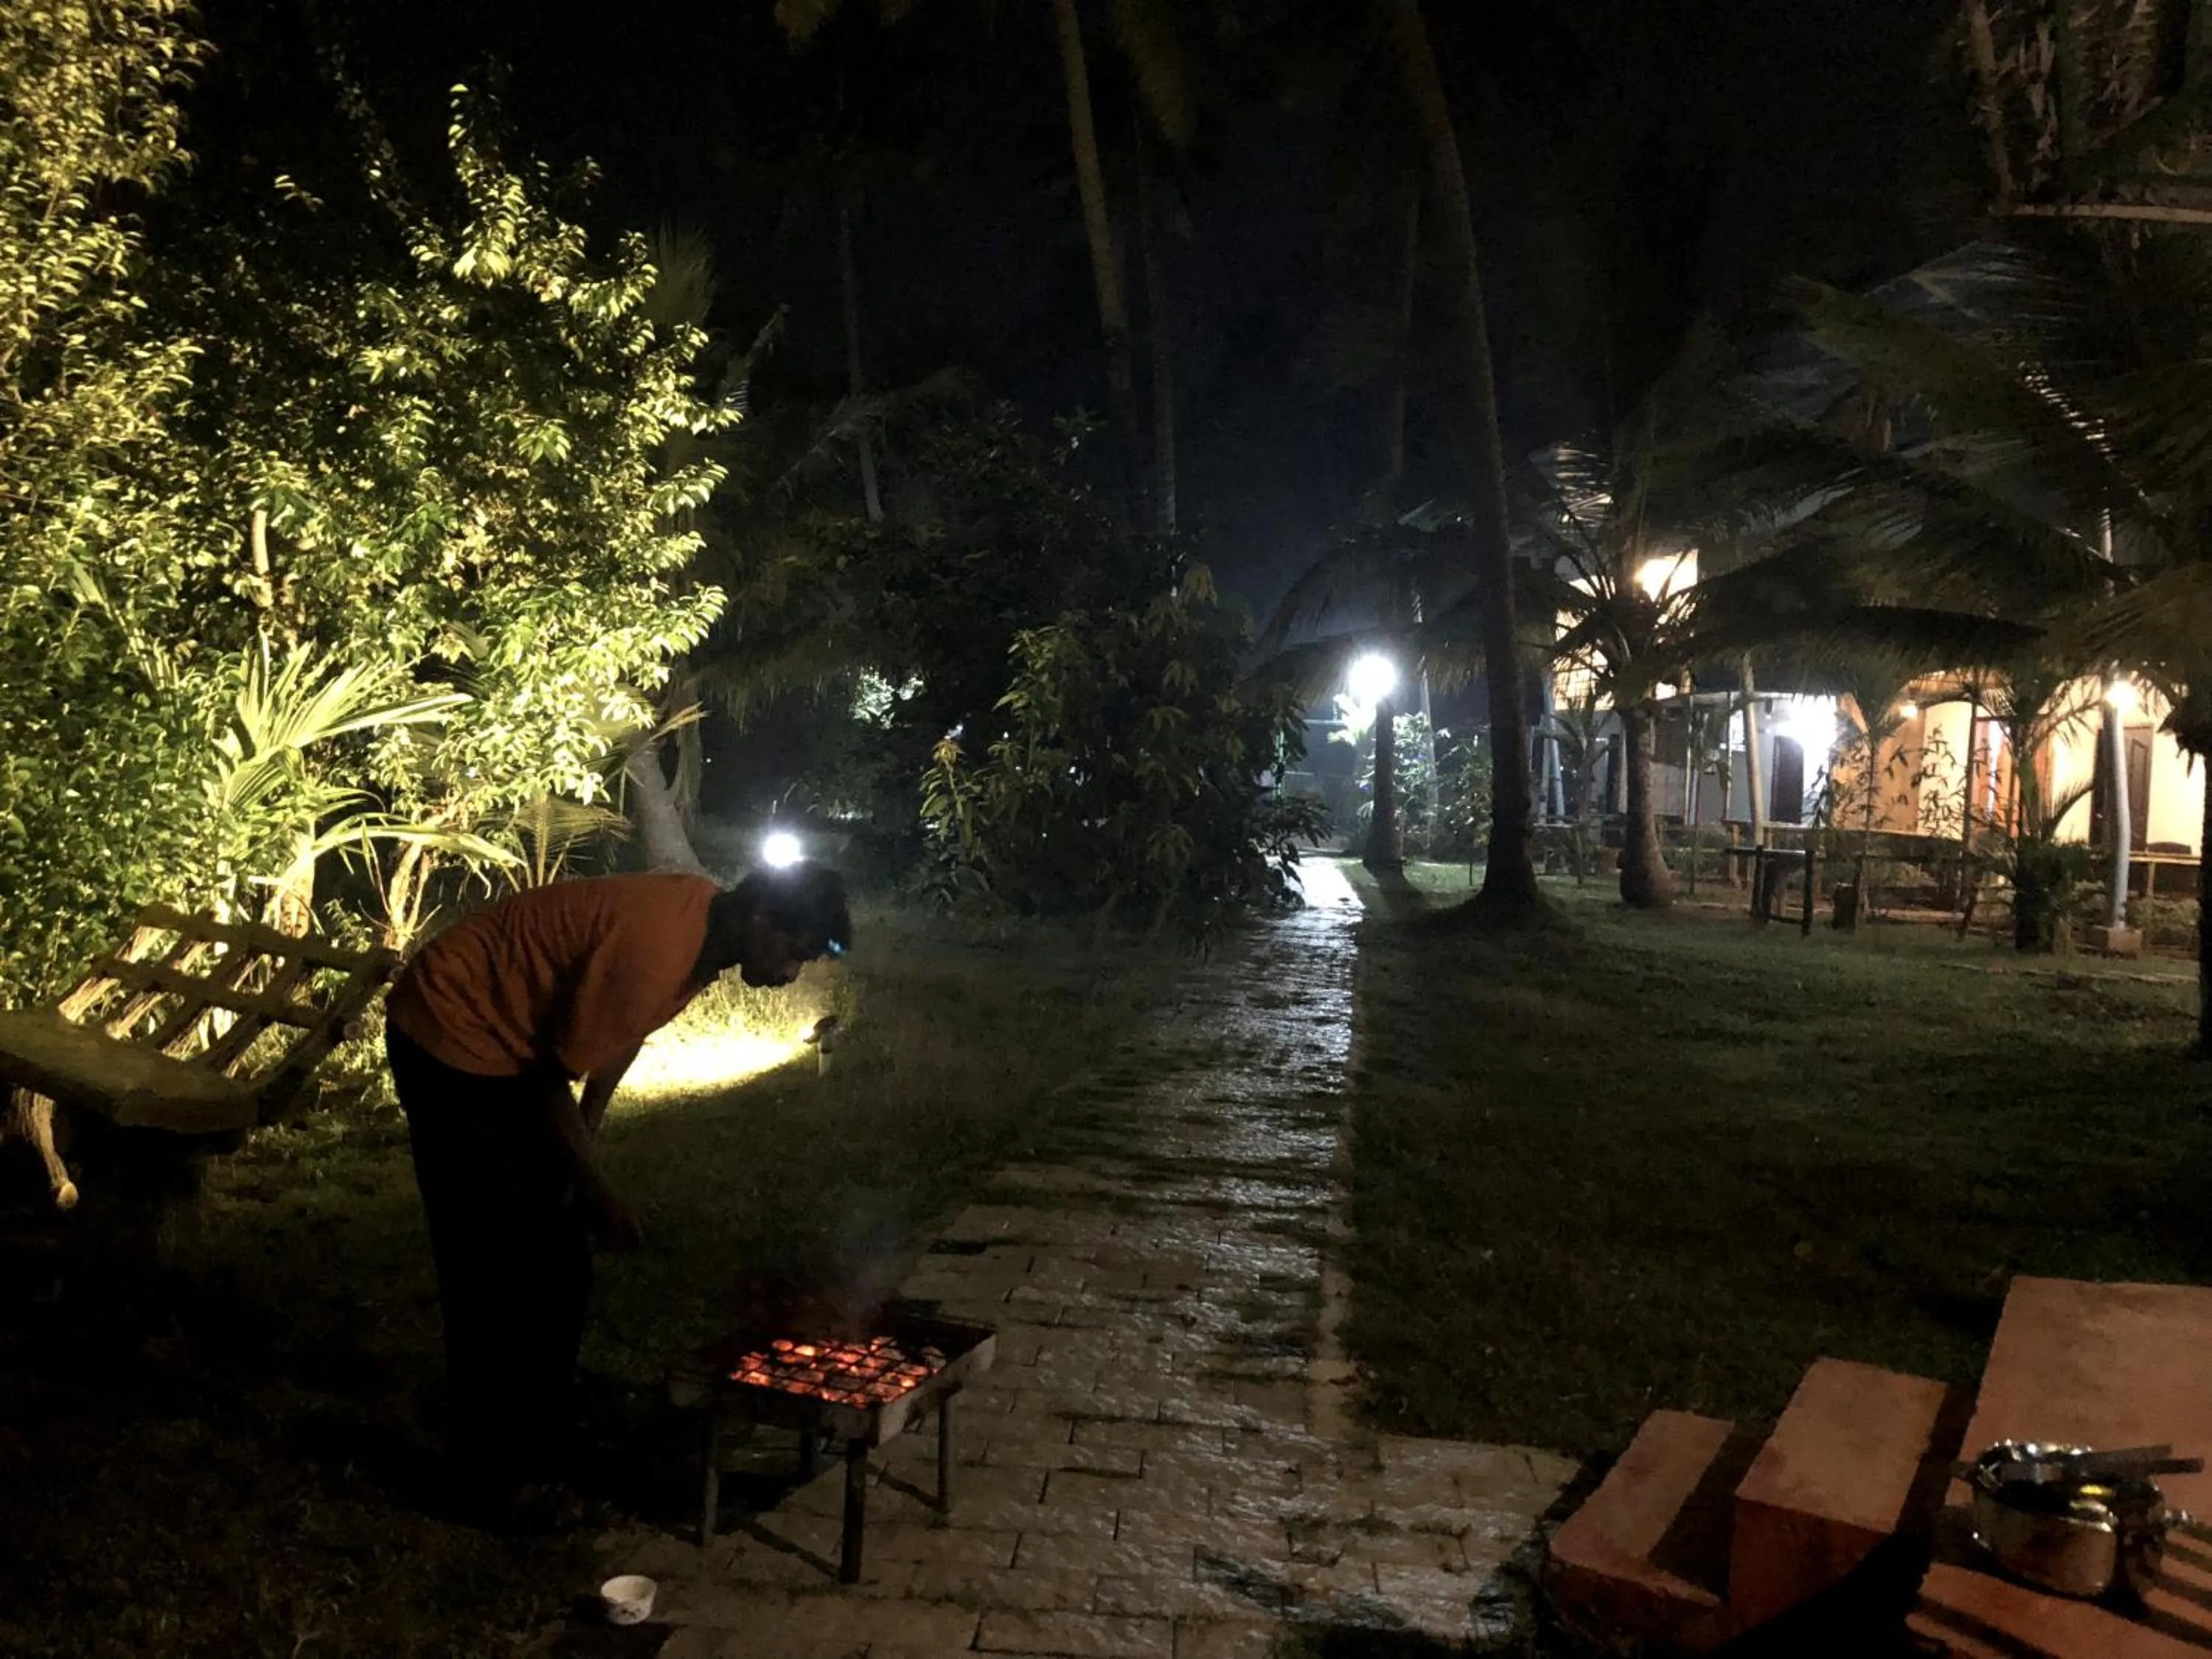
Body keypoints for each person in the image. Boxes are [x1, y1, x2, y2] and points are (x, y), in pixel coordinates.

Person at [382, 861, 852, 1528]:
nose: (790, 975)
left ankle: (542, 1436)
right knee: (493, 1262)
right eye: (793, 953)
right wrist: (597, 1190)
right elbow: (547, 1082)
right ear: (759, 919)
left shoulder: (704, 928)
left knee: (559, 1261)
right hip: (452, 1028)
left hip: (512, 1049)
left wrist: (585, 1149)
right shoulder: (659, 948)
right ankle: (487, 1480)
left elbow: (616, 1036)